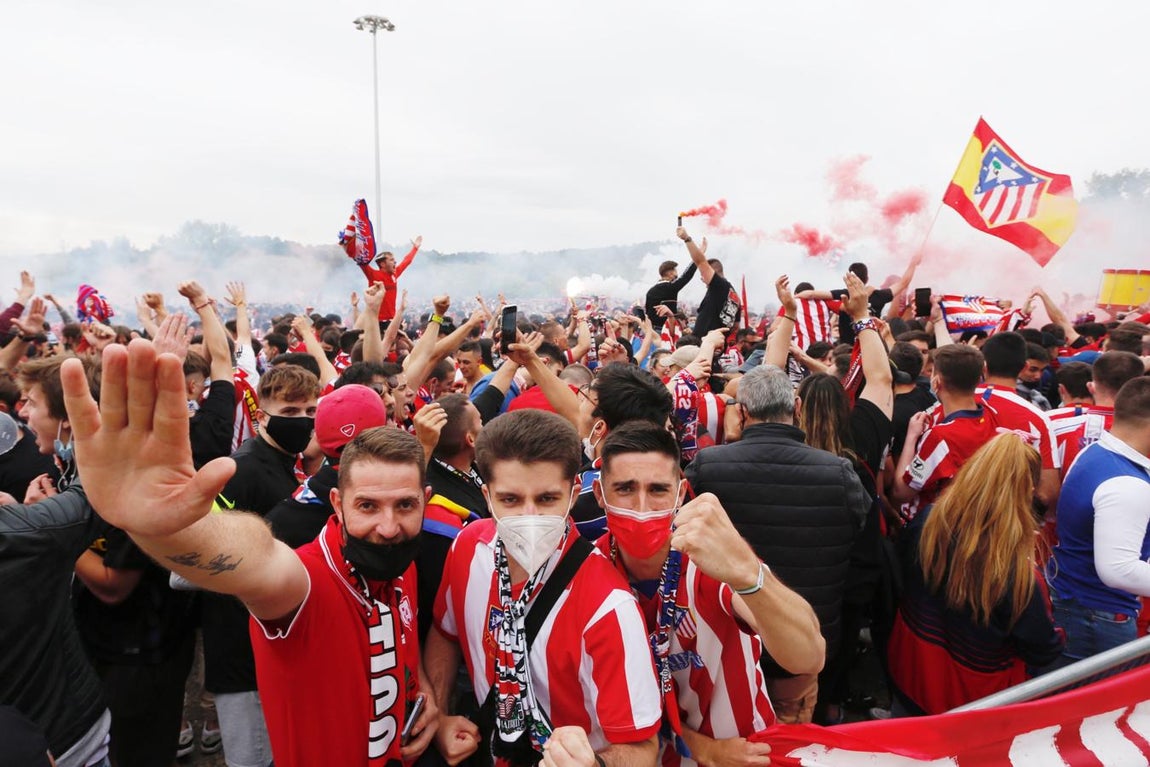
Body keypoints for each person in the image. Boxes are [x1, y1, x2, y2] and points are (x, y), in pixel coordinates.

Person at [59, 340, 438, 767]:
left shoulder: (402, 560)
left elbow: (403, 640)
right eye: (367, 506)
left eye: (404, 506)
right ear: (336, 503)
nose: (388, 527)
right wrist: (168, 529)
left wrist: (425, 691)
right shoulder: (304, 580)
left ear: (424, 500)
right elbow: (255, 558)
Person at [425, 409, 661, 767]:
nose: (529, 516)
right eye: (510, 500)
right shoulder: (468, 547)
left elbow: (642, 748)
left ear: (574, 493)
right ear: (486, 496)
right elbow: (446, 632)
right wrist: (440, 716)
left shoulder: (609, 607)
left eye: (548, 499)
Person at [594, 422, 823, 765]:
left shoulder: (709, 559)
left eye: (658, 489)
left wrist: (748, 572)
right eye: (625, 489)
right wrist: (704, 749)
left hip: (743, 752)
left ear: (681, 493)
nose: (642, 507)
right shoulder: (589, 575)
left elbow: (808, 656)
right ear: (600, 495)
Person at [685, 364, 868, 724]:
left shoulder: (709, 465)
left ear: (744, 412)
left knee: (730, 734)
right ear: (797, 408)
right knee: (786, 742)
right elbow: (860, 538)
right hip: (801, 643)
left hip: (732, 639)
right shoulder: (838, 472)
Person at [888, 435, 1065, 715]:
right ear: (1028, 491)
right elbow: (1042, 650)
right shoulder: (1020, 575)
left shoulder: (929, 521)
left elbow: (901, 576)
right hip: (971, 705)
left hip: (910, 674)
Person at [200, 364, 320, 767]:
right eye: (290, 412)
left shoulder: (291, 462)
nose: (302, 421)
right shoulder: (244, 468)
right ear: (260, 415)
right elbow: (196, 563)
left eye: (310, 412)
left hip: (274, 642)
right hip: (240, 652)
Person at [1046, 377, 1150, 668]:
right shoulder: (1127, 483)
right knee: (1098, 708)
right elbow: (1119, 570)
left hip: (1080, 603)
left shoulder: (1097, 451)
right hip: (1097, 613)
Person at [890, 345, 998, 522]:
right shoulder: (990, 413)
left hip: (934, 528)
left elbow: (901, 492)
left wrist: (911, 438)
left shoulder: (940, 437)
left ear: (936, 382)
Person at [675, 226, 740, 340]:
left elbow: (700, 262)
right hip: (716, 345)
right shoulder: (734, 296)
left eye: (702, 275)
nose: (702, 278)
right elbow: (735, 326)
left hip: (704, 344)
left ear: (712, 272)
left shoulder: (719, 285)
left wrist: (687, 239)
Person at [347, 237, 423, 323]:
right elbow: (361, 262)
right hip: (377, 321)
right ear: (382, 264)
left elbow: (407, 261)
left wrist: (415, 248)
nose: (395, 262)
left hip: (392, 320)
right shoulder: (373, 274)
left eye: (394, 260)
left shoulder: (394, 274)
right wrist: (351, 244)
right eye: (391, 260)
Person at [644, 259, 698, 333]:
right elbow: (687, 275)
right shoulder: (671, 287)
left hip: (652, 331)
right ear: (670, 273)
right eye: (675, 271)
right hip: (666, 330)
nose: (677, 274)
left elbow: (647, 312)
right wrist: (697, 258)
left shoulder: (650, 291)